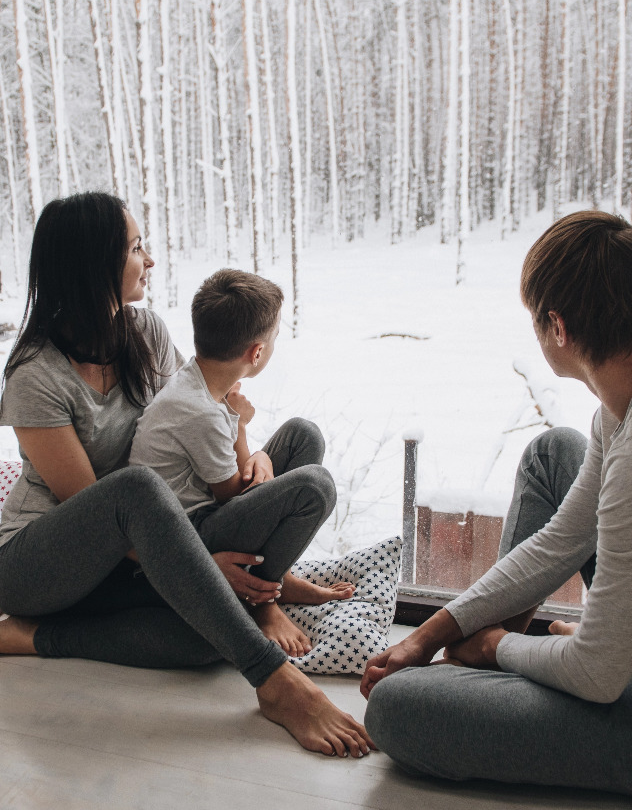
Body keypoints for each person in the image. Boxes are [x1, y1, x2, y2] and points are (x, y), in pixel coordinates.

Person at [0, 191, 373, 758]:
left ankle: (256, 592)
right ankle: (275, 683)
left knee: (298, 443)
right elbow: (98, 505)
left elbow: (202, 408)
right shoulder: (34, 376)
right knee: (138, 495)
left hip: (151, 529)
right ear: (93, 264)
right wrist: (197, 563)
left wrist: (255, 455)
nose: (149, 259)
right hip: (46, 558)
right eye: (136, 247)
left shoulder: (145, 331)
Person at [361, 211, 632, 805]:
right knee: (554, 452)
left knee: (400, 710)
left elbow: (600, 676)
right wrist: (429, 634)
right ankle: (529, 654)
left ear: (557, 326)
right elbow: (565, 538)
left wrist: (496, 649)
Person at [130, 269, 355, 657]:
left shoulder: (197, 378)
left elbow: (231, 477)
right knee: (315, 486)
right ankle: (263, 598)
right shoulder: (199, 411)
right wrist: (243, 433)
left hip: (205, 509)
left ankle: (277, 576)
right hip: (187, 533)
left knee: (303, 434)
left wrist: (256, 452)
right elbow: (229, 493)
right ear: (256, 352)